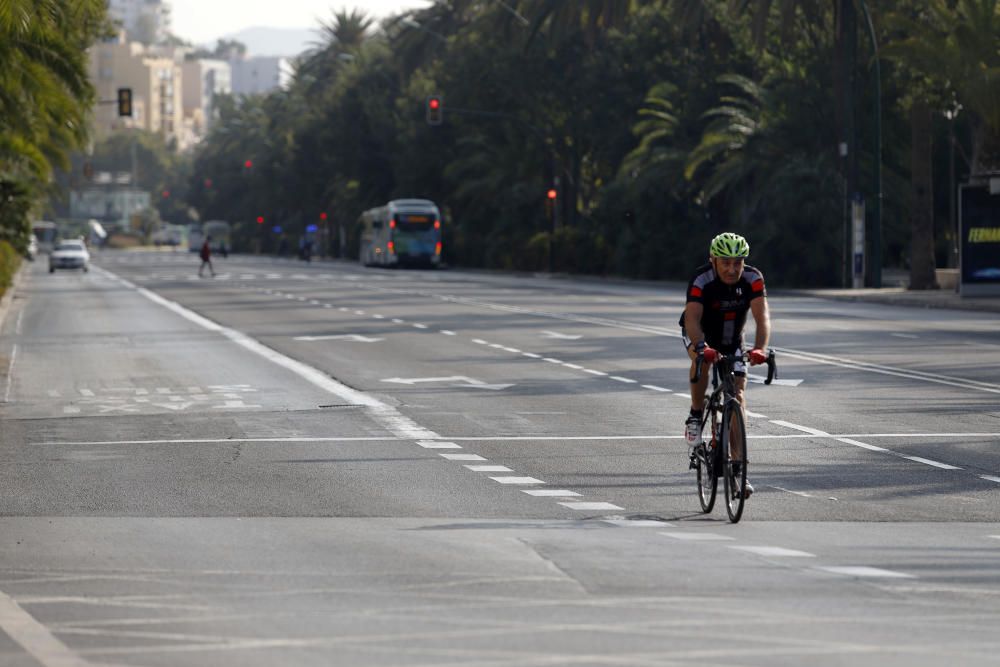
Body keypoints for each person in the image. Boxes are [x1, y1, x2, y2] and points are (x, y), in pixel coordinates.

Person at [679, 232, 770, 497]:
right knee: (702, 362)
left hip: (732, 339)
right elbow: (693, 319)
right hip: (700, 335)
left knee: (738, 396)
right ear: (713, 261)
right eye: (725, 262)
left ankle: (739, 471)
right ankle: (696, 415)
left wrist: (760, 348)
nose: (732, 269)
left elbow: (762, 317)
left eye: (737, 262)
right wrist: (701, 347)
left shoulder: (753, 278)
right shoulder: (701, 279)